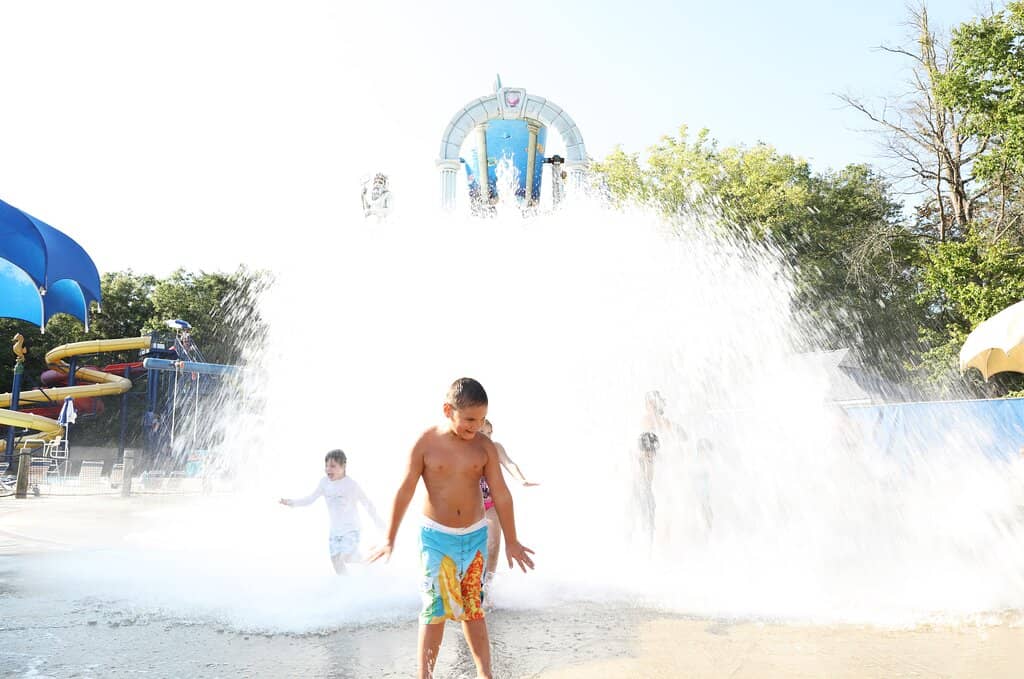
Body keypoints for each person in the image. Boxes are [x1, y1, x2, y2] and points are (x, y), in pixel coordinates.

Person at [369, 378, 535, 679]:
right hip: (436, 537)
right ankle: (425, 675)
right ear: (448, 410)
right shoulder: (426, 443)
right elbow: (405, 490)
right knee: (435, 608)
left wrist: (512, 540)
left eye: (482, 420)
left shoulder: (484, 448)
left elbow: (501, 494)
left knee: (473, 607)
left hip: (474, 536)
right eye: (470, 419)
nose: (476, 426)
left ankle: (485, 673)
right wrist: (389, 538)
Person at [280, 449, 384, 574]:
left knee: (347, 557)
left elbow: (367, 504)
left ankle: (371, 560)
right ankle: (345, 583)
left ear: (343, 466)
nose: (328, 469)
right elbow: (310, 499)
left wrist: (379, 522)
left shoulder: (351, 485)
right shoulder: (324, 483)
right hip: (335, 531)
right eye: (327, 466)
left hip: (351, 529)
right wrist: (292, 502)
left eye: (333, 466)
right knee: (335, 561)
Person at [478, 418, 538, 586]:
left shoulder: (495, 447)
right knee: (471, 545)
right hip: (470, 505)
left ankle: (487, 586)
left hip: (490, 504)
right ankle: (466, 583)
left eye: (489, 433)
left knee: (493, 545)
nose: (487, 437)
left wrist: (521, 479)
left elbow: (509, 463)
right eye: (482, 432)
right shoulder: (466, 450)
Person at [636, 390, 687, 539]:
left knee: (662, 506)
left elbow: (683, 436)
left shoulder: (658, 422)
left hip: (658, 471)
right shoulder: (649, 422)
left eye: (653, 403)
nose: (651, 406)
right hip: (651, 471)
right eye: (649, 403)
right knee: (655, 505)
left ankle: (658, 536)